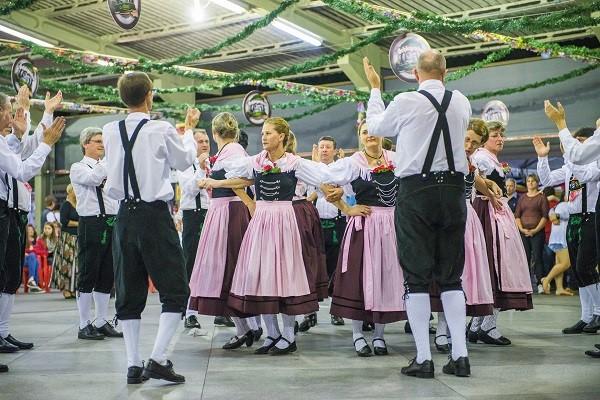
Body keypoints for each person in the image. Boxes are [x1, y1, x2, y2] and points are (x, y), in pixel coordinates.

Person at [364, 50, 472, 377]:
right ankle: (460, 355)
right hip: (454, 191)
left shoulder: (406, 101)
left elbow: (375, 126)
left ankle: (424, 358)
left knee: (417, 276)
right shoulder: (462, 102)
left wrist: (373, 89)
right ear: (446, 72)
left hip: (416, 191)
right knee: (451, 276)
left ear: (414, 72)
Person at [103, 71, 200, 384]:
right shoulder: (161, 128)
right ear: (149, 95)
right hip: (154, 216)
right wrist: (189, 133)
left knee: (128, 290)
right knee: (175, 289)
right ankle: (157, 358)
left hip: (123, 217)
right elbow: (185, 162)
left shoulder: (109, 130)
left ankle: (133, 364)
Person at [201, 117, 325, 355]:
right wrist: (215, 182)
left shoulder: (294, 163)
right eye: (263, 133)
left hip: (284, 219)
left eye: (269, 133)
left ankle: (289, 335)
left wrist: (342, 200)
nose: (264, 137)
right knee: (261, 274)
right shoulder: (256, 161)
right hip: (261, 220)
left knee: (286, 275)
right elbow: (241, 179)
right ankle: (272, 333)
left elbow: (321, 179)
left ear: (281, 136)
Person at [322, 120, 405, 357]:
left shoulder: (396, 159)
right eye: (365, 132)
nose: (370, 135)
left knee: (385, 278)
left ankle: (379, 335)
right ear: (360, 136)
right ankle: (357, 334)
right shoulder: (352, 163)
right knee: (359, 279)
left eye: (374, 131)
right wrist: (348, 209)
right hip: (364, 225)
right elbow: (324, 182)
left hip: (391, 225)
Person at [0, 89, 65, 372]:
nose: (10, 115)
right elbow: (23, 169)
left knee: (10, 275)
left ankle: (1, 333)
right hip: (2, 211)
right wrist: (48, 144)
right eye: (8, 109)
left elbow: (22, 148)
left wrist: (44, 115)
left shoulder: (4, 141)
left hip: (11, 212)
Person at [188, 112, 256, 348]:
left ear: (215, 133)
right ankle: (246, 328)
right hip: (222, 211)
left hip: (229, 212)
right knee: (225, 268)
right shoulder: (228, 152)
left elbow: (245, 180)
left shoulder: (233, 151)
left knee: (230, 268)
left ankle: (249, 327)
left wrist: (214, 181)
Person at [435, 118, 496, 354]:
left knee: (464, 276)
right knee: (447, 274)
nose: (469, 145)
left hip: (468, 218)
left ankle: (453, 329)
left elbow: (473, 179)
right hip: (447, 217)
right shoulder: (444, 155)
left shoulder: (468, 160)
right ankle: (441, 328)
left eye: (475, 143)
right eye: (467, 139)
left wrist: (489, 190)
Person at [534, 128, 600, 334]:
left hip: (590, 217)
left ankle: (598, 313)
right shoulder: (570, 167)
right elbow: (546, 180)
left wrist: (570, 156)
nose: (576, 144)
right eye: (575, 141)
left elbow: (584, 174)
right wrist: (542, 158)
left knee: (585, 267)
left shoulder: (594, 163)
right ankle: (587, 316)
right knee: (578, 271)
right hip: (574, 220)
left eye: (581, 141)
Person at [70, 127, 122, 340]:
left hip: (111, 220)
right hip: (91, 222)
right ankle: (84, 324)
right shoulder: (78, 167)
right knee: (88, 271)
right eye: (98, 141)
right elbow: (93, 179)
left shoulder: (107, 166)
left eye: (103, 141)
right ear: (86, 144)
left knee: (106, 274)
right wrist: (109, 160)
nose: (102, 144)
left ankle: (101, 321)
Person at [298, 135, 348, 331]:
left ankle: (337, 312)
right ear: (317, 150)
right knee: (312, 268)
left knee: (337, 269)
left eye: (328, 147)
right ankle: (309, 314)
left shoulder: (343, 170)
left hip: (337, 223)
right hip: (315, 224)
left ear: (335, 151)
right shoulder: (310, 170)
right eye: (322, 147)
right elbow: (306, 194)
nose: (325, 150)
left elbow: (349, 193)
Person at [177, 129, 210, 330]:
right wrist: (202, 169)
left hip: (211, 212)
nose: (205, 144)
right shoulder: (185, 166)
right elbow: (190, 188)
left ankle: (220, 312)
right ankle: (189, 312)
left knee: (215, 262)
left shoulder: (213, 162)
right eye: (200, 141)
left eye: (207, 140)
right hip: (193, 215)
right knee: (191, 264)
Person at [514, 174, 549, 291]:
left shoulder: (541, 197)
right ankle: (524, 284)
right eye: (528, 181)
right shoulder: (522, 198)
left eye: (533, 181)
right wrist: (522, 229)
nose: (530, 183)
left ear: (537, 183)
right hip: (523, 232)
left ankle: (540, 283)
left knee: (538, 257)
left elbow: (545, 217)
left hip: (537, 232)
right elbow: (517, 215)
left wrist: (535, 230)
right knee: (525, 258)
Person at [52, 184, 79, 299]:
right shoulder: (65, 205)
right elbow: (64, 221)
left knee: (76, 264)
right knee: (66, 264)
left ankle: (74, 288)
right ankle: (66, 289)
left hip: (78, 237)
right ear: (70, 191)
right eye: (75, 190)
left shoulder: (79, 204)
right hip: (67, 238)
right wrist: (79, 223)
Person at [541, 197, 572, 295]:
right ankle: (546, 279)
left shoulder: (557, 205)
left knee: (559, 263)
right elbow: (557, 216)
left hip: (557, 237)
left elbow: (553, 215)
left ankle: (559, 288)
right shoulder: (565, 205)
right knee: (565, 264)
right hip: (561, 237)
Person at [23, 225, 42, 292]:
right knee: (33, 256)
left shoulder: (38, 240)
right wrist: (31, 251)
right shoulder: (23, 239)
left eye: (32, 229)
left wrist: (31, 251)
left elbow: (44, 251)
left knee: (34, 258)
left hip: (32, 260)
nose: (30, 231)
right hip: (24, 260)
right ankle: (34, 284)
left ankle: (32, 281)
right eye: (29, 230)